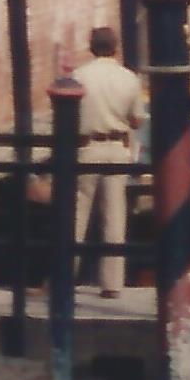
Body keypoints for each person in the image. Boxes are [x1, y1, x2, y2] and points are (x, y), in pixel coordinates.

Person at [72, 26, 144, 297]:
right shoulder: (129, 79)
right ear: (116, 47)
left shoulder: (79, 77)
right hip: (116, 149)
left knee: (76, 215)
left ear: (91, 47)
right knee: (114, 218)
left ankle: (65, 277)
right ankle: (112, 285)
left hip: (87, 148)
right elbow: (137, 120)